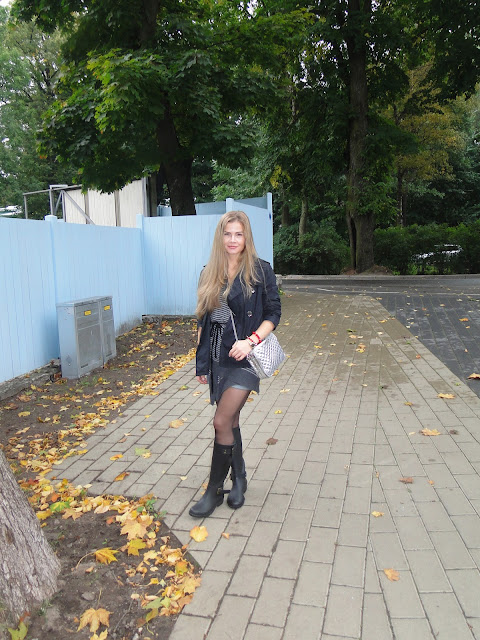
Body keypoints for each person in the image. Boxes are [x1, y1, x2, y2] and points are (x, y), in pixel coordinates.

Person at [189, 210, 281, 518]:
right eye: (227, 234)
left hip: (245, 357)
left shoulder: (260, 271)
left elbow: (273, 313)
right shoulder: (209, 272)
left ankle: (214, 491)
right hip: (218, 356)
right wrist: (202, 364)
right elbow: (204, 320)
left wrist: (251, 341)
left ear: (246, 237)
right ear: (220, 237)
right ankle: (239, 478)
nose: (232, 240)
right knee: (231, 421)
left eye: (238, 234)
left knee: (220, 421)